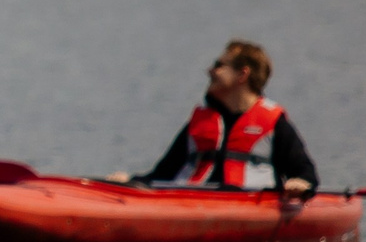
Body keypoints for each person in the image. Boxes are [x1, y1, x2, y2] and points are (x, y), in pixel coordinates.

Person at [109, 40, 318, 194]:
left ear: (242, 75)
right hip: (190, 204)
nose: (210, 71)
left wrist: (300, 184)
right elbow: (162, 175)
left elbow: (306, 175)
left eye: (219, 65)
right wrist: (129, 181)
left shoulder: (274, 123)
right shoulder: (200, 122)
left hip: (248, 206)